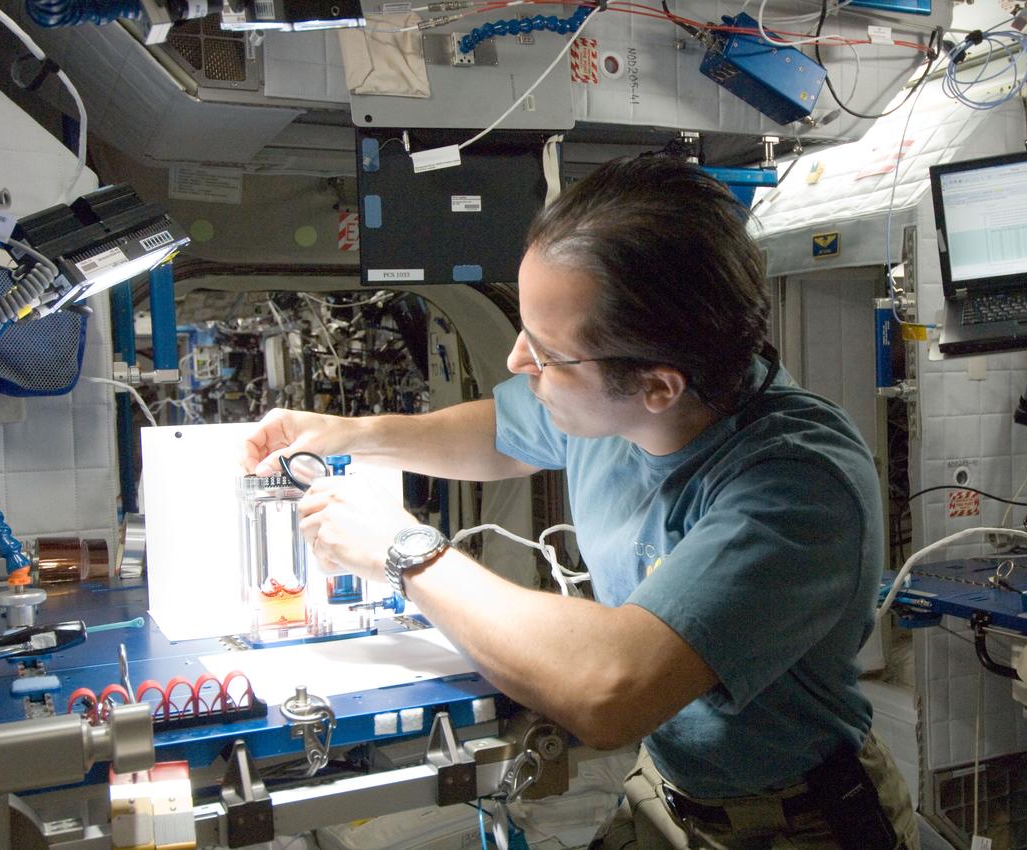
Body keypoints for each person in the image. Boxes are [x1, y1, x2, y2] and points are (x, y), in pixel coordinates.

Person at [242, 155, 919, 850]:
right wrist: (352, 434)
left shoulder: (795, 486)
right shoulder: (606, 405)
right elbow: (501, 433)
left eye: (544, 352)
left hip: (797, 822)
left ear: (657, 387)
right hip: (664, 789)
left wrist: (404, 550)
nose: (516, 362)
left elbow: (609, 690)